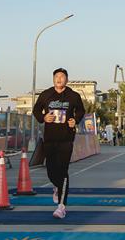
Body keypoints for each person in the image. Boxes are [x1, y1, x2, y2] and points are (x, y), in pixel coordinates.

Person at [32, 68, 85, 219]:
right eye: (56, 77)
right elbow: (36, 110)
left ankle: (61, 206)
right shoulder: (46, 94)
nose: (59, 79)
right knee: (50, 170)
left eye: (62, 77)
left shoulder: (73, 96)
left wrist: (75, 120)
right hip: (49, 138)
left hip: (66, 139)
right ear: (53, 79)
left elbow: (81, 111)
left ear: (66, 80)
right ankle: (57, 186)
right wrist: (43, 118)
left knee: (63, 171)